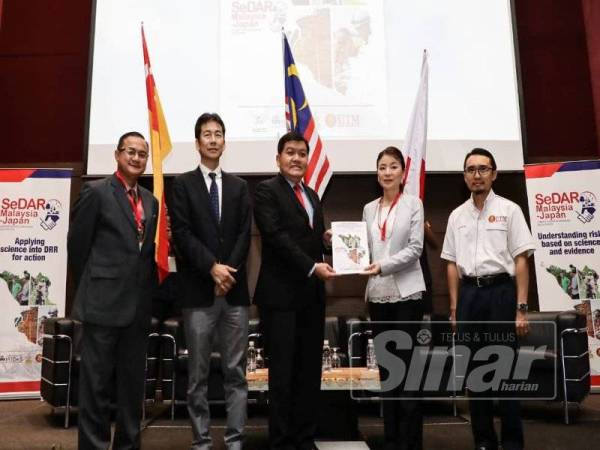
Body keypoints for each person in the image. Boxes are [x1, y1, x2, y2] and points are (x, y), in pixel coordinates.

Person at [68, 131, 158, 450]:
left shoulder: (150, 201)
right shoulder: (96, 192)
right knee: (96, 389)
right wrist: (95, 287)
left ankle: (127, 446)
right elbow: (77, 247)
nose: (136, 158)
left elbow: (143, 254)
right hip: (101, 307)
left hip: (136, 311)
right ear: (117, 155)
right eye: (130, 152)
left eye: (142, 154)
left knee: (132, 391)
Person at [441, 148, 535, 450]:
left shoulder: (510, 210)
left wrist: (521, 308)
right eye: (470, 169)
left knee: (504, 370)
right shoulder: (457, 216)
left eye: (483, 169)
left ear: (494, 174)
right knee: (475, 373)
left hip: (500, 295)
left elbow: (521, 260)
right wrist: (454, 308)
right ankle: (483, 440)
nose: (476, 174)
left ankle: (511, 442)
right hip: (469, 296)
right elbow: (452, 264)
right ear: (464, 176)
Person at [170, 113, 252, 450]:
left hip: (234, 295)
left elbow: (245, 235)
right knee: (198, 376)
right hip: (198, 292)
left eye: (219, 133)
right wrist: (212, 269)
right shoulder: (182, 184)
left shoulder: (239, 186)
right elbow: (183, 235)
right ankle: (201, 442)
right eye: (207, 134)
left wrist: (226, 272)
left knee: (236, 373)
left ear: (224, 141)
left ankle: (235, 441)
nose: (214, 139)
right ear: (197, 142)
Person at [253, 131, 336, 450]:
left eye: (302, 153)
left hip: (311, 297)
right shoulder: (266, 192)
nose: (297, 158)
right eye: (290, 152)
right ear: (278, 158)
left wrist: (326, 244)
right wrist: (312, 266)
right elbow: (276, 237)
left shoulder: (312, 194)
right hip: (280, 298)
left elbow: (307, 239)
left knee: (308, 372)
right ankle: (282, 441)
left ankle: (304, 438)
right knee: (283, 374)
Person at [361, 146, 425, 450]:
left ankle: (410, 442)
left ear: (403, 173)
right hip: (378, 294)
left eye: (393, 167)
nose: (387, 172)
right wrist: (339, 243)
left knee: (407, 370)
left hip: (407, 293)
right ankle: (391, 440)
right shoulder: (368, 208)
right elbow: (361, 247)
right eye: (382, 167)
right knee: (387, 371)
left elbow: (415, 249)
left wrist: (383, 265)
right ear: (377, 173)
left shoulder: (414, 204)